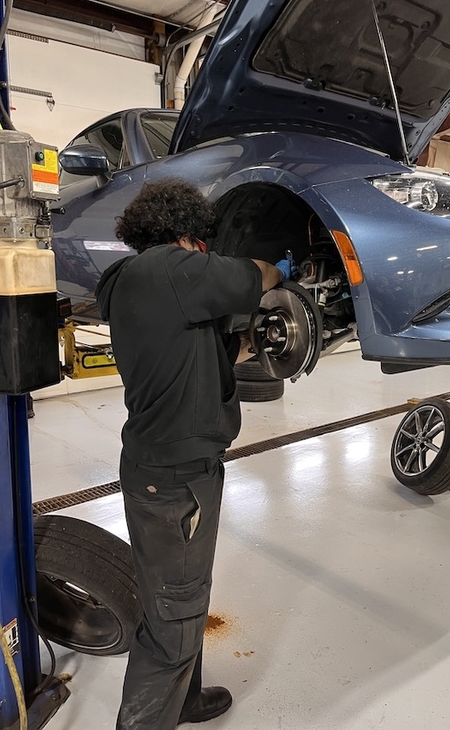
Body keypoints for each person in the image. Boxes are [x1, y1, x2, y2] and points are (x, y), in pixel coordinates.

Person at [96, 177, 292, 730]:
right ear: (186, 234)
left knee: (178, 595)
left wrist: (255, 343)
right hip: (175, 479)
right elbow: (256, 277)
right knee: (174, 619)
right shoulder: (177, 270)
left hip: (156, 467)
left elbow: (202, 350)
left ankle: (186, 701)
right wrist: (281, 269)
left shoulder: (127, 281)